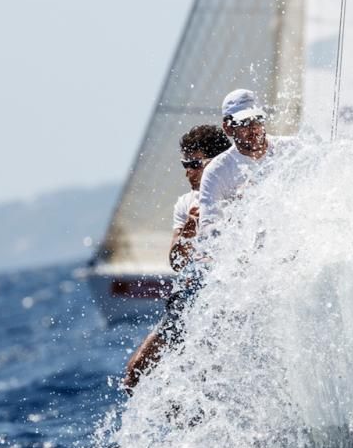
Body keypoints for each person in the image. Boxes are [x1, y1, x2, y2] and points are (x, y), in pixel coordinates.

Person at [123, 125, 231, 391]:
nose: (188, 172)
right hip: (188, 300)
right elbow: (177, 262)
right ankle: (188, 429)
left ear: (216, 162)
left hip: (225, 300)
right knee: (133, 376)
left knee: (202, 381)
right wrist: (188, 232)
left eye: (195, 164)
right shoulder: (185, 204)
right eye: (185, 164)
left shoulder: (237, 192)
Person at [198, 89, 289, 233]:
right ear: (228, 128)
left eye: (258, 119)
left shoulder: (292, 150)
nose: (253, 128)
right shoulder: (216, 171)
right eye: (244, 122)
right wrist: (236, 214)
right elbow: (207, 228)